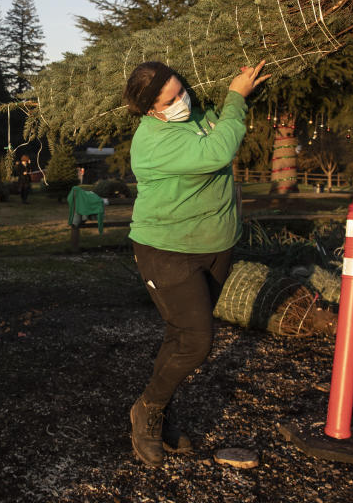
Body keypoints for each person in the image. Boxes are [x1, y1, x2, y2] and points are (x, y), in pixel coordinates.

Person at [122, 59, 270, 467]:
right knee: (197, 342)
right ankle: (146, 410)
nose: (182, 100)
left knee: (181, 335)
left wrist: (243, 92)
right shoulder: (153, 141)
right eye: (171, 99)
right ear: (151, 108)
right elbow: (219, 149)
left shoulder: (198, 111)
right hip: (167, 250)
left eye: (182, 89)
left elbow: (225, 120)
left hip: (216, 245)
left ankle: (160, 409)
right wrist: (237, 96)